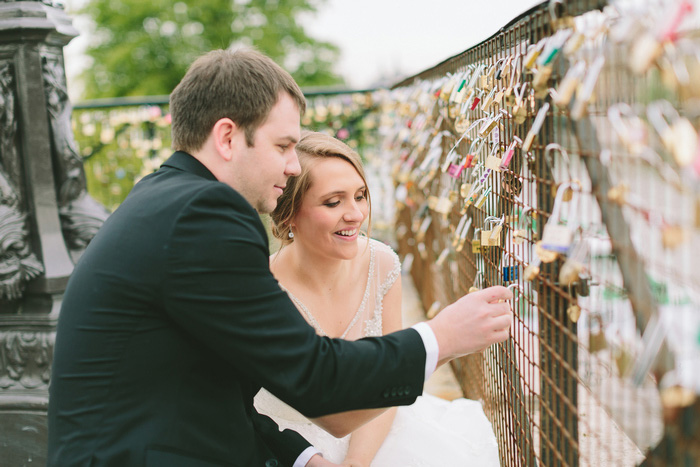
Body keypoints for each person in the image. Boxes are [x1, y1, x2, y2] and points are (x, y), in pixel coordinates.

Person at [48, 48, 513, 467]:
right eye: (284, 146)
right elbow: (314, 377)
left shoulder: (165, 196)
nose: (293, 166)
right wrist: (441, 337)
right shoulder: (205, 214)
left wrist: (304, 458)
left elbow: (218, 388)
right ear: (228, 137)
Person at [254, 131, 500, 466]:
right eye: (333, 202)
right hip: (286, 447)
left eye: (360, 196)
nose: (355, 214)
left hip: (375, 435)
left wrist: (356, 463)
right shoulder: (258, 285)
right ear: (288, 215)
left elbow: (390, 386)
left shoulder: (382, 262)